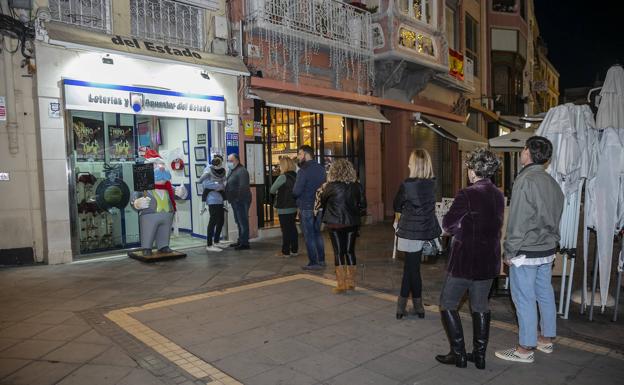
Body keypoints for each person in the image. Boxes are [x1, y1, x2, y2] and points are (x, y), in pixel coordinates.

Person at [495, 136, 564, 364]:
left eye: (524, 148)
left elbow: (518, 221)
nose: (522, 152)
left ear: (529, 153)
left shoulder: (525, 180)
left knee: (524, 297)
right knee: (544, 292)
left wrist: (509, 250)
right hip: (547, 247)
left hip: (527, 249)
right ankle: (546, 338)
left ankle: (525, 348)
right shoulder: (551, 182)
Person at [434, 148, 504, 369]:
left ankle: (459, 354)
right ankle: (480, 356)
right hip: (488, 259)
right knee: (480, 306)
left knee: (447, 303)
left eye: (469, 168)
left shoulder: (467, 194)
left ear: (473, 170)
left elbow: (447, 225)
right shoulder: (498, 194)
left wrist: (461, 225)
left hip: (465, 260)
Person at [394, 149, 441, 319]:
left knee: (411, 269)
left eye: (410, 161)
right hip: (426, 231)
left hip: (410, 231)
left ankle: (407, 306)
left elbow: (397, 205)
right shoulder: (432, 184)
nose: (407, 163)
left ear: (414, 164)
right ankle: (415, 306)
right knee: (412, 268)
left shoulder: (407, 184)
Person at [315, 159, 366, 293]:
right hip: (352, 223)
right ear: (350, 171)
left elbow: (323, 202)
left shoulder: (329, 186)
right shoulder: (357, 186)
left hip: (334, 223)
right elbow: (363, 206)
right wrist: (354, 212)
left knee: (338, 252)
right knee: (350, 251)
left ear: (333, 171)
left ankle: (341, 284)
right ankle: (351, 282)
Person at [293, 145, 327, 270]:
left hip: (306, 206)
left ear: (306, 155)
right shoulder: (321, 168)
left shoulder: (303, 170)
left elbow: (296, 191)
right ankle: (322, 260)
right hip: (318, 206)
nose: (298, 157)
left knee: (309, 235)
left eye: (300, 154)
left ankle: (314, 262)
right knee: (317, 233)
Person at [270, 157, 299, 257]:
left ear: (284, 165)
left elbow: (272, 190)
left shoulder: (283, 177)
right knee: (292, 228)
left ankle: (285, 251)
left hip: (284, 207)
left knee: (286, 230)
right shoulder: (296, 175)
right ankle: (294, 250)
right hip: (294, 206)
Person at [198, 155, 228, 252]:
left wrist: (222, 185)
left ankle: (216, 241)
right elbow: (205, 184)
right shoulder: (208, 170)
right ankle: (209, 244)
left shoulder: (221, 170)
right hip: (212, 199)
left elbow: (224, 182)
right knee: (213, 221)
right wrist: (218, 185)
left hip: (220, 199)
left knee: (221, 220)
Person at [225, 153, 252, 250]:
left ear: (237, 160)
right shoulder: (232, 170)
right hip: (235, 200)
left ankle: (245, 243)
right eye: (228, 161)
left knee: (243, 221)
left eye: (231, 161)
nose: (229, 163)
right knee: (239, 221)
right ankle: (240, 240)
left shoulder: (242, 171)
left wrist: (238, 199)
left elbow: (243, 187)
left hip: (241, 200)